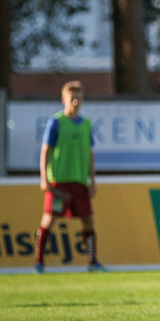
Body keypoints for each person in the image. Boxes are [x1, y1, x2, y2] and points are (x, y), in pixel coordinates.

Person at [35, 81, 104, 273]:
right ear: (63, 99)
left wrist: (92, 180)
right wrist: (44, 178)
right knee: (49, 220)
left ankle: (93, 262)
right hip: (59, 183)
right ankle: (39, 262)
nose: (75, 101)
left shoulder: (87, 125)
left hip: (80, 182)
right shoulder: (56, 122)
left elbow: (89, 154)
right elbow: (45, 151)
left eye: (79, 98)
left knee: (88, 220)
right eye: (72, 98)